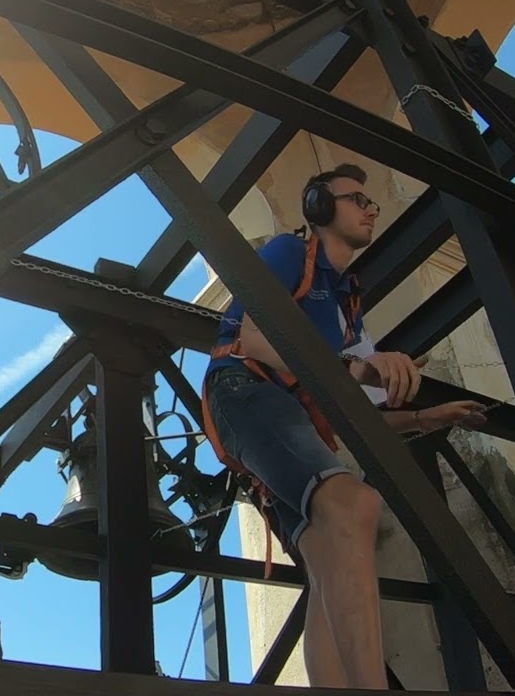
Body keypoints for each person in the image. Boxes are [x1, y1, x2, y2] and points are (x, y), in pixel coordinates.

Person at [200, 164, 487, 689]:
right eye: (356, 198)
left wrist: (423, 416)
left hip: (281, 413)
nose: (371, 207)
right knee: (357, 504)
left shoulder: (347, 305)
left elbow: (349, 405)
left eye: (371, 200)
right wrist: (363, 366)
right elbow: (258, 342)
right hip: (245, 392)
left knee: (331, 560)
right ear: (318, 207)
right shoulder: (291, 254)